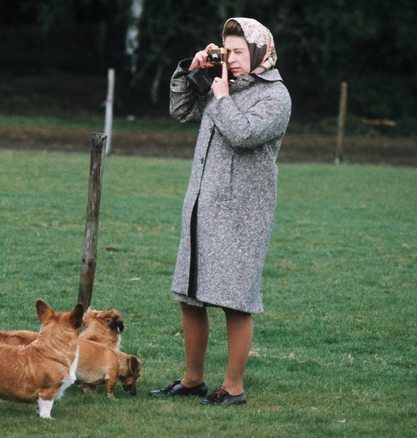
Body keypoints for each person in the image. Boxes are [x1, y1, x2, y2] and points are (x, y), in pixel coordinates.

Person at [148, 17, 291, 406]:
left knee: (234, 299)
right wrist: (190, 72)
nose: (234, 59)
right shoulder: (221, 84)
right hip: (202, 204)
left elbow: (243, 135)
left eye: (241, 52)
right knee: (190, 294)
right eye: (229, 51)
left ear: (261, 51)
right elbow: (181, 111)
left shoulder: (275, 97)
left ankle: (233, 388)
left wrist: (223, 96)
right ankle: (192, 379)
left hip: (243, 213)